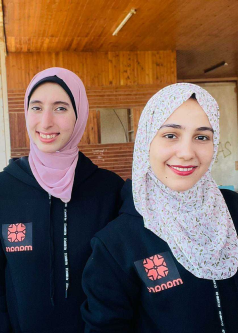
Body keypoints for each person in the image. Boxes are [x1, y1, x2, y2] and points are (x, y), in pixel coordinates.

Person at [81, 83, 238, 333]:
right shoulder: (117, 243)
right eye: (170, 135)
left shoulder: (234, 210)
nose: (187, 153)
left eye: (201, 137)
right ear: (146, 141)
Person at [0, 67, 125, 333]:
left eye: (60, 108)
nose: (45, 122)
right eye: (36, 108)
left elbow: (124, 277)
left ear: (79, 114)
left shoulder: (110, 190)